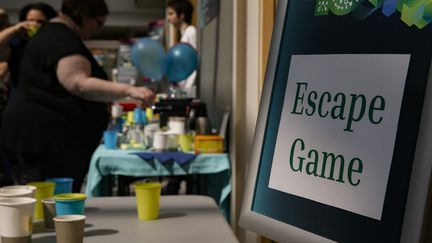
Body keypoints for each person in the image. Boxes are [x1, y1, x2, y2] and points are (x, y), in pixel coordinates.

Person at [0, 0, 155, 192]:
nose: (98, 30)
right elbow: (77, 82)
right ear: (83, 15)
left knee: (45, 202)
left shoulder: (48, 35)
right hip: (47, 141)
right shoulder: (61, 38)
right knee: (50, 204)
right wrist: (130, 91)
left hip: (39, 137)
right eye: (98, 23)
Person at [0, 3, 58, 94]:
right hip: (21, 101)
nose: (34, 25)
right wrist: (14, 29)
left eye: (40, 22)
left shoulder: (57, 45)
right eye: (29, 21)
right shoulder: (17, 44)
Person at [166, 0, 197, 98]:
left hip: (190, 87)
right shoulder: (183, 35)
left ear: (182, 15)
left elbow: (195, 60)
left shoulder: (191, 31)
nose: (168, 18)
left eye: (171, 14)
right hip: (184, 88)